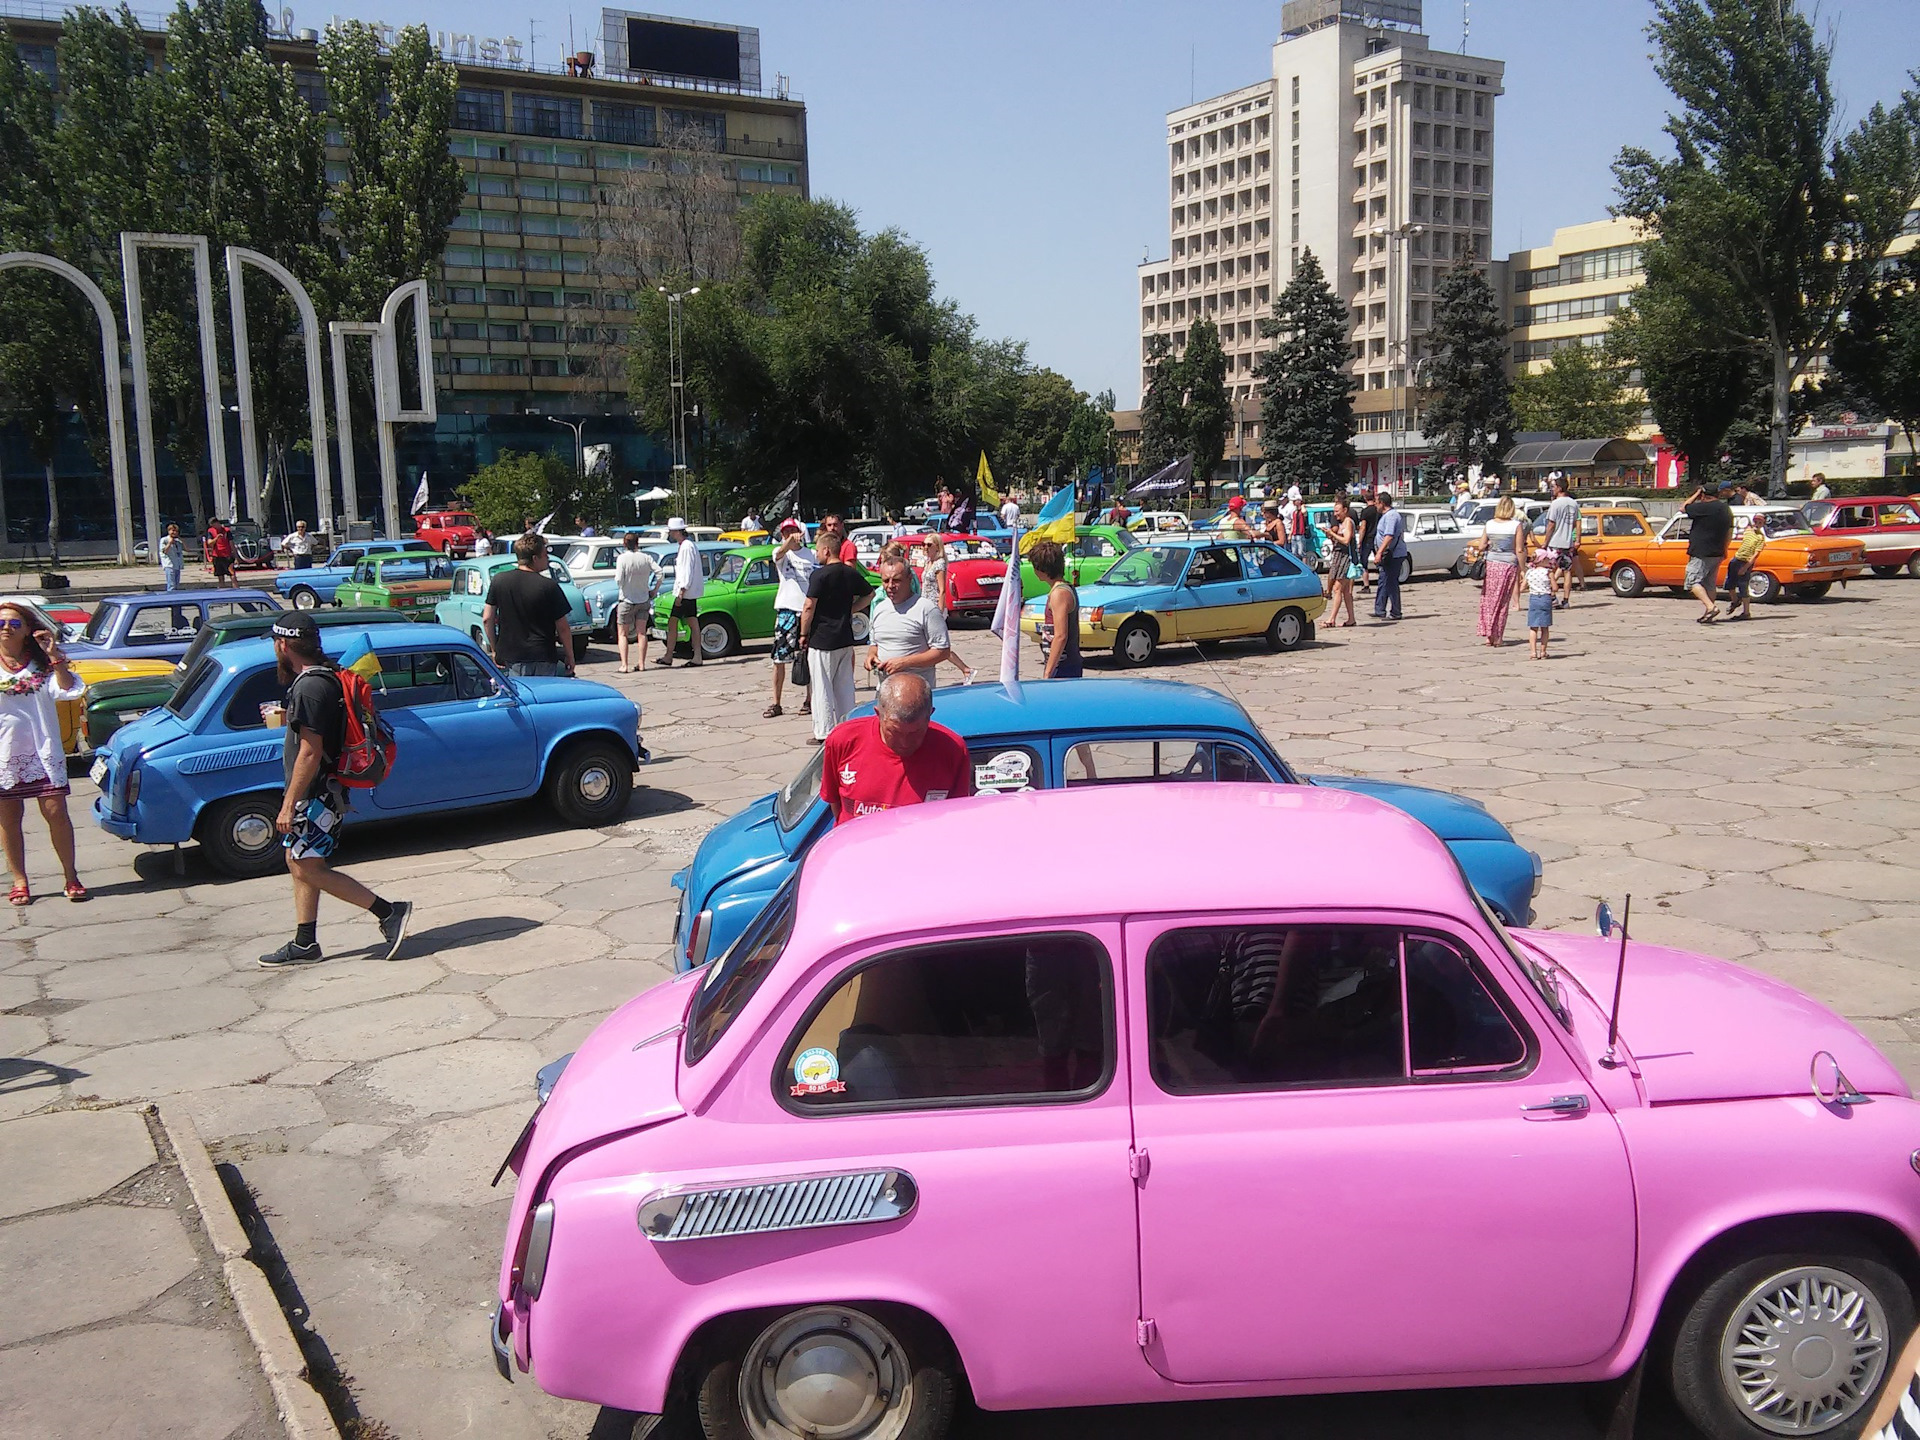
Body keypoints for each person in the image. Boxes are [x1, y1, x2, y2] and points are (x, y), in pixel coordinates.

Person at [260, 613, 411, 967]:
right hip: (322, 792)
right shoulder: (322, 679)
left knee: (308, 867)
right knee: (299, 862)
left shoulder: (309, 687)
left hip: (315, 794)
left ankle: (388, 911)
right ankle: (304, 942)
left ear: (283, 645)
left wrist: (288, 804)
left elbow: (311, 752)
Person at [0, 601, 86, 906]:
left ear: (27, 630)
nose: (7, 628)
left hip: (43, 750)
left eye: (14, 624)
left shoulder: (42, 664)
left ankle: (70, 876)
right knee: (9, 819)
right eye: (1, 624)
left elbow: (68, 690)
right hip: (4, 754)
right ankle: (20, 881)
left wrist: (54, 656)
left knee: (56, 813)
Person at [819, 672, 972, 825]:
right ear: (878, 715)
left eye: (915, 732)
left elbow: (954, 817)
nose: (905, 742)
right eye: (894, 732)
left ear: (930, 715)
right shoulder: (844, 740)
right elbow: (835, 803)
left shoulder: (951, 750)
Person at [802, 531, 872, 744]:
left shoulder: (819, 575)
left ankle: (823, 732)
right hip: (845, 637)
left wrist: (803, 633)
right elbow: (870, 594)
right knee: (845, 686)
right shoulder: (849, 573)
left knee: (822, 687)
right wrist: (851, 610)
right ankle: (848, 727)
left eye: (817, 550)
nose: (816, 554)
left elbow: (809, 606)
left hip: (822, 639)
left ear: (826, 550)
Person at [484, 534, 576, 675]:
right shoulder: (549, 586)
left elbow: (487, 618)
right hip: (542, 656)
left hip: (510, 656)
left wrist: (495, 649)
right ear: (535, 558)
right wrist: (569, 655)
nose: (548, 558)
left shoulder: (499, 581)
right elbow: (563, 627)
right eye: (545, 555)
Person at [866, 555, 953, 692]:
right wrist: (871, 656)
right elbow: (874, 643)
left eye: (896, 580)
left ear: (909, 579)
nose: (890, 586)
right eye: (885, 580)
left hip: (916, 694)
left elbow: (943, 651)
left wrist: (904, 663)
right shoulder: (879, 608)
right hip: (884, 692)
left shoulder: (926, 609)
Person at [768, 521, 815, 718]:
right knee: (779, 659)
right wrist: (787, 542)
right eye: (785, 532)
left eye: (792, 531)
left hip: (806, 610)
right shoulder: (781, 552)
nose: (789, 534)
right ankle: (776, 702)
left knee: (809, 658)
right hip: (786, 610)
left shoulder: (811, 555)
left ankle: (809, 700)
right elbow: (778, 554)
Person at [1028, 539, 1083, 679]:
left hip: (1063, 667)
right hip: (1060, 664)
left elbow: (1061, 635)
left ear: (1042, 569)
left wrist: (1048, 672)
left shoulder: (1060, 593)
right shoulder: (1060, 589)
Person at [1476, 496, 1526, 647]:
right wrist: (1524, 569)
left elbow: (1481, 546)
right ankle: (1498, 637)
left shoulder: (1489, 524)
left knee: (1489, 600)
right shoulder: (1516, 525)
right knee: (1503, 601)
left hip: (1492, 564)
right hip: (1508, 564)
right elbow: (1519, 549)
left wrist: (1491, 543)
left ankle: (1488, 635)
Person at [1682, 481, 1735, 624]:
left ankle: (1710, 607)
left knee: (1692, 581)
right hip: (1717, 551)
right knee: (1709, 583)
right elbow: (1729, 531)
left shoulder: (1703, 508)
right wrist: (1725, 548)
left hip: (1701, 551)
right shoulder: (1725, 509)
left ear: (1704, 494)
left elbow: (1683, 508)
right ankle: (1708, 612)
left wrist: (1696, 494)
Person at [657, 517, 705, 667]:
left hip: (686, 592)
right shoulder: (687, 545)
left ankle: (678, 655)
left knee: (679, 621)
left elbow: (686, 571)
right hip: (688, 592)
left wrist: (681, 592)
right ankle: (674, 655)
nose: (670, 534)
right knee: (688, 621)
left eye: (671, 531)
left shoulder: (686, 547)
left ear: (677, 531)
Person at [613, 531, 657, 674]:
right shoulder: (645, 557)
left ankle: (624, 665)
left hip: (626, 599)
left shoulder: (622, 558)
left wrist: (624, 586)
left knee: (623, 633)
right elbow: (660, 572)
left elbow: (618, 579)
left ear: (624, 544)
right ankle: (641, 663)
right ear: (638, 543)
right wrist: (654, 590)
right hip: (643, 598)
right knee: (641, 633)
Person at [1721, 514, 1768, 621]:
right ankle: (1735, 601)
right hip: (1737, 558)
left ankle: (1746, 612)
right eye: (1756, 522)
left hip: (1746, 562)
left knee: (1743, 586)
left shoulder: (1760, 537)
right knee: (1729, 583)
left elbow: (1755, 555)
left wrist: (1746, 567)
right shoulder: (1747, 531)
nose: (1757, 524)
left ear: (1763, 524)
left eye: (1760, 523)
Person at [1371, 491, 1409, 621]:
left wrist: (1379, 552)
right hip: (1389, 555)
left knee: (1391, 583)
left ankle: (1395, 612)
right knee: (1384, 581)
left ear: (1382, 503)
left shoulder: (1392, 516)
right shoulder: (1386, 516)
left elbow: (1389, 536)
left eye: (1376, 503)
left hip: (1393, 555)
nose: (1375, 506)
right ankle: (1380, 609)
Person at [1543, 475, 1580, 608]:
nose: (1552, 489)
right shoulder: (1573, 503)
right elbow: (1576, 522)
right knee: (1567, 571)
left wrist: (1545, 542)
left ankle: (1553, 597)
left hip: (1555, 542)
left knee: (1549, 570)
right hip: (1568, 542)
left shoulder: (1555, 504)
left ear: (1559, 488)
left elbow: (1551, 524)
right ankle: (1566, 600)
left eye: (1553, 487)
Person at [1323, 494, 1357, 627]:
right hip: (1340, 556)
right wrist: (1330, 535)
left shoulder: (1348, 522)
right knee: (1346, 591)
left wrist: (1332, 534)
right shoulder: (1343, 523)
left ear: (1345, 510)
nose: (1335, 514)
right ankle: (1351, 619)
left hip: (1345, 558)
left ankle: (1331, 619)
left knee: (1337, 588)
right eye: (1334, 511)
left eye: (1337, 511)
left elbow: (1346, 540)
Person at [1524, 547, 1554, 659]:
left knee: (1533, 627)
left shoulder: (1530, 572)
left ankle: (1533, 652)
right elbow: (1555, 587)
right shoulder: (1548, 572)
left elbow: (1523, 587)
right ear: (1542, 560)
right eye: (1547, 559)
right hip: (1545, 598)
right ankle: (1543, 651)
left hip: (1534, 599)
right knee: (1545, 627)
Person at [1355, 490, 1382, 592]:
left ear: (1365, 498)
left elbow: (1363, 528)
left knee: (1363, 562)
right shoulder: (1378, 510)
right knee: (1380, 561)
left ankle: (1366, 586)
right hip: (1378, 537)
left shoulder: (1365, 511)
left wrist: (1360, 541)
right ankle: (1383, 581)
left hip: (1367, 538)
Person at [205, 517, 235, 588]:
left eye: (214, 524)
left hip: (227, 555)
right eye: (212, 525)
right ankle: (222, 590)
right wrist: (216, 538)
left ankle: (236, 590)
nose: (214, 527)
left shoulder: (226, 531)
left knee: (232, 575)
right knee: (220, 576)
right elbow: (209, 543)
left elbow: (231, 543)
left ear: (217, 523)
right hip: (217, 556)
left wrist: (235, 555)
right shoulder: (211, 531)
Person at [159, 523, 185, 592]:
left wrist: (181, 540)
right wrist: (169, 543)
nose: (174, 532)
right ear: (169, 531)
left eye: (176, 531)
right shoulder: (164, 540)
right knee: (171, 585)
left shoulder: (177, 541)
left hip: (177, 565)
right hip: (169, 565)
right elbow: (164, 551)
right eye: (172, 530)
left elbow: (186, 549)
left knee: (176, 585)